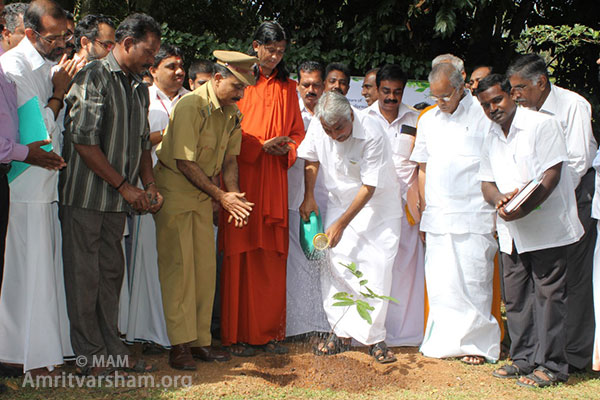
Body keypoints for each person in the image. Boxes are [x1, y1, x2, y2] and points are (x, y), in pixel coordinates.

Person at [60, 13, 162, 376]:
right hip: (85, 198)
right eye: (149, 52)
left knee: (110, 276)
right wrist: (125, 186)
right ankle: (90, 356)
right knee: (84, 278)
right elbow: (84, 141)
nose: (153, 60)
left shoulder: (139, 86)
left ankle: (112, 350)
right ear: (127, 43)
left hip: (118, 202)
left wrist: (148, 186)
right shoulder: (93, 76)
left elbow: (141, 145)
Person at [476, 74, 583, 387]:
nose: (493, 108)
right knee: (517, 298)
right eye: (486, 105)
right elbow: (486, 181)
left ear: (512, 95)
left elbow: (551, 174)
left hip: (547, 227)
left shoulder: (542, 125)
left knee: (549, 298)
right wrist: (499, 201)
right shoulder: (491, 135)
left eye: (497, 100)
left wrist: (522, 208)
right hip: (511, 230)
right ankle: (523, 359)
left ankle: (552, 366)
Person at [154, 50, 257, 370]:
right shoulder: (190, 105)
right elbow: (185, 161)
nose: (240, 94)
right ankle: (179, 346)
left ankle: (200, 341)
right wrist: (221, 196)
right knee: (178, 272)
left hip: (202, 197)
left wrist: (233, 195)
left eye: (243, 89)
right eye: (236, 86)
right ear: (216, 78)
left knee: (203, 272)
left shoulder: (230, 112)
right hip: (176, 193)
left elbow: (228, 161)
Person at [0, 0, 83, 376]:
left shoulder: (50, 66)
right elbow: (37, 136)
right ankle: (22, 356)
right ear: (30, 33)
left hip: (45, 183)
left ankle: (47, 351)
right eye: (55, 37)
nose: (63, 43)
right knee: (24, 271)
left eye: (67, 34)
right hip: (24, 183)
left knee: (43, 268)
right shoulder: (14, 66)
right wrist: (57, 94)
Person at [507, 54, 597, 372]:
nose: (515, 94)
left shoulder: (573, 106)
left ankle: (573, 355)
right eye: (512, 87)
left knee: (573, 279)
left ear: (541, 82)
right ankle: (534, 354)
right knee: (536, 281)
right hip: (533, 204)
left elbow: (576, 162)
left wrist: (537, 198)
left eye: (520, 87)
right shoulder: (520, 112)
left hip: (571, 198)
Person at [220, 21, 305, 356]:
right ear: (255, 46)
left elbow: (298, 133)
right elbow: (225, 129)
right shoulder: (241, 81)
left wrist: (288, 149)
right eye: (270, 49)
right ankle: (237, 335)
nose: (275, 56)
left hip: (274, 179)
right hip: (240, 177)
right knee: (240, 252)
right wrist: (258, 146)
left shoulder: (289, 87)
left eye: (281, 51)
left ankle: (270, 333)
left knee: (271, 256)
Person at [298, 91, 402, 363]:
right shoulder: (320, 127)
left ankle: (374, 339)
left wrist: (342, 224)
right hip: (339, 203)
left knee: (376, 270)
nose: (334, 135)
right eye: (328, 129)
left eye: (339, 129)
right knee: (336, 267)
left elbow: (369, 186)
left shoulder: (373, 131)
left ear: (352, 117)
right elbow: (311, 159)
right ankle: (340, 333)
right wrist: (309, 196)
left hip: (377, 209)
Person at [410, 63, 499, 364]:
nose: (441, 102)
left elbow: (496, 165)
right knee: (441, 283)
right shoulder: (429, 120)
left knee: (474, 280)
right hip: (438, 215)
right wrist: (424, 209)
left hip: (475, 213)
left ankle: (476, 345)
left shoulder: (483, 116)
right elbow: (422, 167)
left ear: (463, 87)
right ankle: (443, 342)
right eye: (436, 97)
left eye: (446, 96)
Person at [123, 43, 188, 352]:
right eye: (170, 66)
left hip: (186, 189)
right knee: (150, 259)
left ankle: (179, 332)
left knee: (180, 262)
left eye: (181, 67)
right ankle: (149, 331)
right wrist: (168, 133)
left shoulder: (191, 100)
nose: (178, 72)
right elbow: (136, 140)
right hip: (151, 187)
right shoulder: (143, 98)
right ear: (153, 70)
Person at [362, 64, 424, 346]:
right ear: (376, 89)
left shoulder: (416, 119)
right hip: (372, 206)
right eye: (385, 91)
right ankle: (370, 331)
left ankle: (403, 334)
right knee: (375, 267)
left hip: (406, 206)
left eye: (396, 92)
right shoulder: (362, 119)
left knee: (405, 270)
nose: (390, 98)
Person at [285, 60, 329, 339]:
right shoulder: (291, 114)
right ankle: (299, 326)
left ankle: (327, 325)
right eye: (306, 84)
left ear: (325, 86)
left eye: (316, 84)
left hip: (328, 198)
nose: (311, 90)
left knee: (326, 261)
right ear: (297, 85)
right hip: (294, 198)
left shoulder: (333, 114)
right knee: (297, 263)